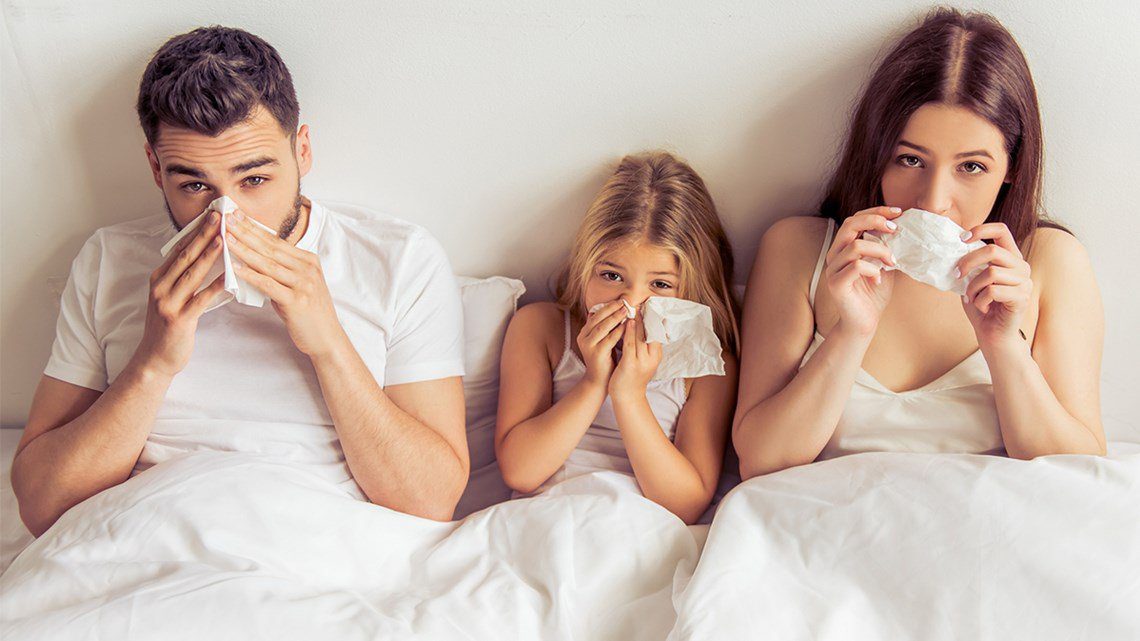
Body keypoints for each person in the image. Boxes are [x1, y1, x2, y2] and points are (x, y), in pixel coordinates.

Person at [12, 26, 470, 535]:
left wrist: (329, 346)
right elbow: (41, 505)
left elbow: (430, 502)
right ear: (154, 168)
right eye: (193, 185)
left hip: (325, 545)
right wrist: (152, 363)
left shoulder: (399, 258)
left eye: (254, 179)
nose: (225, 213)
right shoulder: (108, 259)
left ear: (302, 151)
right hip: (143, 541)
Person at [733, 8, 1106, 479]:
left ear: (1011, 167)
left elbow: (1084, 475)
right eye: (910, 159)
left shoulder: (1049, 262)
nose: (933, 202)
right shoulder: (799, 250)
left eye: (971, 167)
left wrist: (1003, 345)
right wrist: (851, 332)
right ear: (876, 154)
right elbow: (761, 462)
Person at [495, 151, 739, 524]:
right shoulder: (541, 329)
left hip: (638, 531)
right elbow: (520, 472)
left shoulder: (705, 367)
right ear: (585, 266)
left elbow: (686, 505)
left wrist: (629, 394)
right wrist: (594, 382)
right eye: (611, 276)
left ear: (690, 290)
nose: (631, 302)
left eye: (659, 285)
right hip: (545, 521)